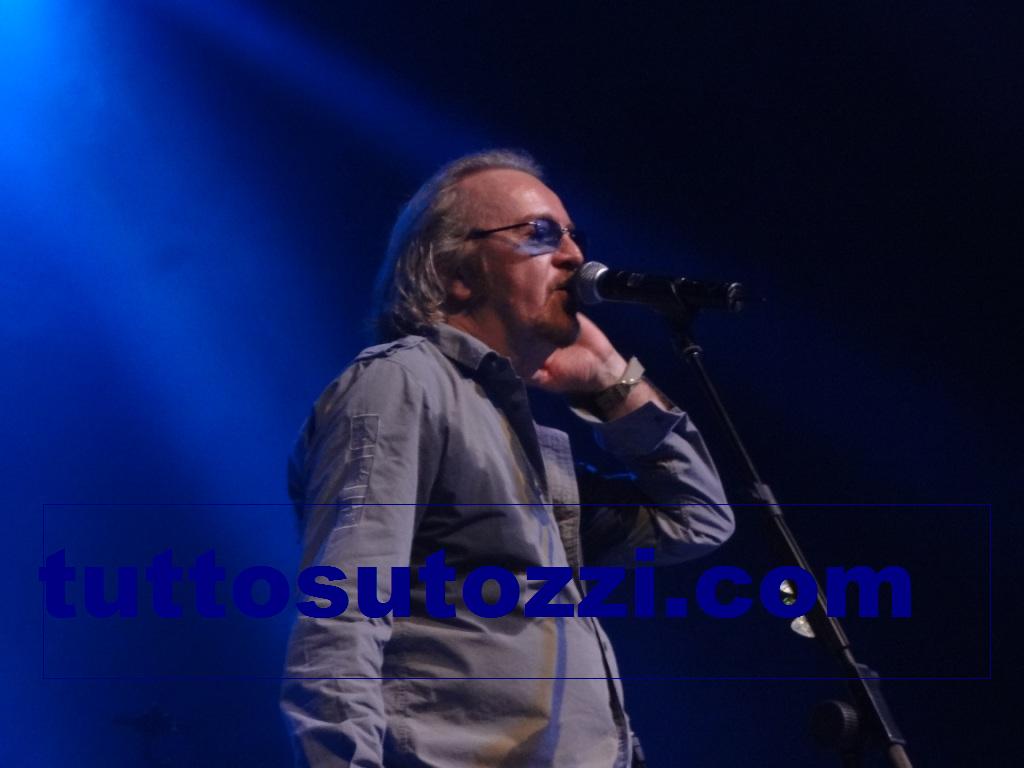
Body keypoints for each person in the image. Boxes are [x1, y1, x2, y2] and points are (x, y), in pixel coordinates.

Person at [281, 149, 734, 767]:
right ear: (456, 273)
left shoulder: (518, 442)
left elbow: (698, 518)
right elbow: (342, 609)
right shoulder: (402, 383)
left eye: (572, 234)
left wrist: (614, 382)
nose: (575, 256)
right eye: (539, 234)